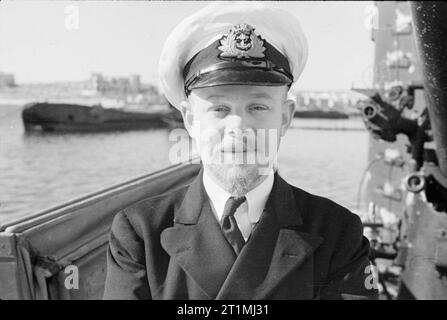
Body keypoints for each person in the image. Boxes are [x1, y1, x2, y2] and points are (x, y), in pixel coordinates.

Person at [103, 2, 378, 300]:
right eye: (219, 108)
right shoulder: (140, 234)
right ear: (191, 120)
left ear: (284, 117)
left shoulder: (338, 234)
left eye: (257, 107)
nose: (238, 126)